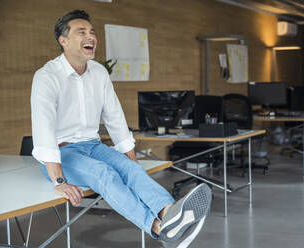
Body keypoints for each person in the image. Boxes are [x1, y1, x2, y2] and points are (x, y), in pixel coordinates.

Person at [31, 9, 212, 247]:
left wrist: (129, 160)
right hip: (62, 153)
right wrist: (59, 181)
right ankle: (158, 229)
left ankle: (170, 214)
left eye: (92, 32)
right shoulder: (47, 76)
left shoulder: (98, 72)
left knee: (131, 169)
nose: (91, 37)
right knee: (105, 175)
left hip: (93, 146)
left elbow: (114, 116)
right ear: (63, 41)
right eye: (82, 32)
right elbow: (43, 129)